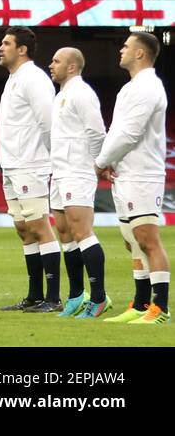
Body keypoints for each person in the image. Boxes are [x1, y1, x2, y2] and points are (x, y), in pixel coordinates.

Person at [96, 32, 170, 325]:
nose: (121, 51)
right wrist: (109, 161)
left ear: (140, 53)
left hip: (143, 172)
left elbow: (130, 133)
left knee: (147, 238)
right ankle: (140, 304)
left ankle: (160, 307)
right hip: (125, 171)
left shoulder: (148, 86)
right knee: (132, 240)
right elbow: (117, 131)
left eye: (126, 47)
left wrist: (101, 161)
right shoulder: (133, 87)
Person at [0, 27, 59, 313]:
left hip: (31, 164)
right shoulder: (13, 79)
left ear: (22, 49)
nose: (0, 47)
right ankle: (34, 295)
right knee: (24, 229)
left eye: (6, 43)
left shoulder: (34, 78)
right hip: (12, 164)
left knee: (39, 227)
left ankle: (53, 297)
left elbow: (48, 121)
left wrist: (52, 159)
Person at [45, 46, 109, 319]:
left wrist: (97, 164)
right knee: (65, 233)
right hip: (59, 171)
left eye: (56, 61)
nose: (51, 65)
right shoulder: (62, 95)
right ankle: (75, 296)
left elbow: (97, 132)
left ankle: (99, 298)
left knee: (82, 232)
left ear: (71, 67)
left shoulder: (82, 93)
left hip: (77, 170)